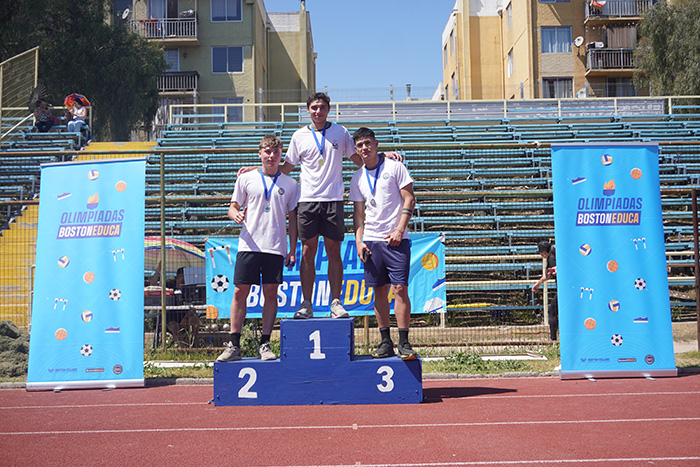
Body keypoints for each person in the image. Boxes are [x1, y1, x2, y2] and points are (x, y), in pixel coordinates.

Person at [238, 92, 400, 320]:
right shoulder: (299, 136)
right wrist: (257, 169)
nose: (318, 111)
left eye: (322, 107)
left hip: (333, 200)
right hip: (307, 201)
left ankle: (336, 302)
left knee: (334, 251)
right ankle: (307, 304)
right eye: (314, 107)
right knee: (307, 252)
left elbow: (358, 159)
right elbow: (286, 167)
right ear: (308, 110)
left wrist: (381, 156)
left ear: (328, 110)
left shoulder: (340, 132)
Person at [217, 135, 299, 362]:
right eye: (268, 152)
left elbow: (293, 219)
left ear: (281, 155)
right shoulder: (246, 178)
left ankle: (265, 343)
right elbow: (232, 207)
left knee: (270, 293)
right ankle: (234, 345)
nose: (272, 156)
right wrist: (235, 215)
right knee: (239, 291)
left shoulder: (291, 184)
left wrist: (292, 249)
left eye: (276, 152)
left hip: (275, 246)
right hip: (249, 244)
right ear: (260, 153)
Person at [350, 127, 418, 360]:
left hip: (396, 239)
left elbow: (409, 198)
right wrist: (359, 242)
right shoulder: (357, 177)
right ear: (356, 149)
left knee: (400, 289)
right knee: (379, 291)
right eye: (360, 145)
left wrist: (399, 230)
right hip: (371, 241)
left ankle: (404, 342)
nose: (364, 148)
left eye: (368, 143)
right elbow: (358, 214)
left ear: (376, 143)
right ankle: (385, 341)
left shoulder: (395, 167)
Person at [531, 240, 558, 341]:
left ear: (544, 252)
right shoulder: (554, 255)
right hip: (565, 288)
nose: (540, 255)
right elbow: (546, 276)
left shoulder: (552, 258)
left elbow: (553, 271)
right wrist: (537, 284)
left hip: (563, 290)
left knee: (552, 312)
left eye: (540, 252)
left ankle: (553, 338)